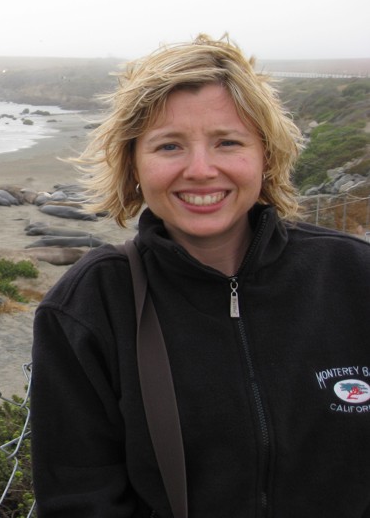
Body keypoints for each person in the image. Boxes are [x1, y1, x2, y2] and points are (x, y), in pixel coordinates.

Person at [30, 34, 370, 517]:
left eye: (227, 142)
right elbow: (79, 499)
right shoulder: (91, 304)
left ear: (266, 155)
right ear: (133, 163)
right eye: (169, 146)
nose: (201, 169)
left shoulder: (355, 276)